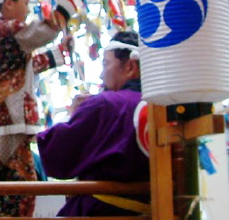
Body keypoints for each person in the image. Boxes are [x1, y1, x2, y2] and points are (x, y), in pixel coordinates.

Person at [0, 0, 76, 217]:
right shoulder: (4, 27)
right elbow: (44, 30)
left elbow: (33, 63)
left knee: (10, 192)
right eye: (26, 2)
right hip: (7, 123)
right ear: (9, 2)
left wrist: (62, 50)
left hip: (2, 125)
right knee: (19, 191)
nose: (28, 8)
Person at [37, 31, 150, 217]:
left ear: (130, 67)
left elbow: (57, 157)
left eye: (106, 64)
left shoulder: (107, 105)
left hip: (100, 212)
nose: (101, 75)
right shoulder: (162, 106)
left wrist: (74, 114)